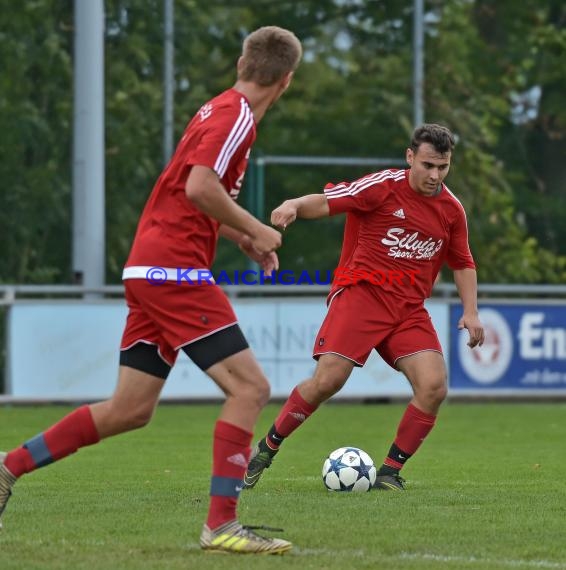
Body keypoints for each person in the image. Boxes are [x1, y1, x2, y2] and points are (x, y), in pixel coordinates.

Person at [0, 26, 302, 555]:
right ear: (287, 81)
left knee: (129, 408)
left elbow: (194, 197)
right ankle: (221, 524)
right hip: (174, 272)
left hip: (149, 268)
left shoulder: (215, 110)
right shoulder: (237, 118)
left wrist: (239, 238)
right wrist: (257, 228)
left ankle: (7, 468)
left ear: (240, 63)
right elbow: (199, 187)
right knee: (250, 389)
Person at [243, 123, 485, 491]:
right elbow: (326, 202)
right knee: (328, 381)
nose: (435, 175)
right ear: (410, 157)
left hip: (408, 310)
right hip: (362, 296)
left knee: (434, 386)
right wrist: (293, 204)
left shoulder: (451, 210)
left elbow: (463, 261)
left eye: (442, 167)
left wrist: (471, 311)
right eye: (427, 165)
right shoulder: (382, 187)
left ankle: (389, 472)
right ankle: (267, 448)